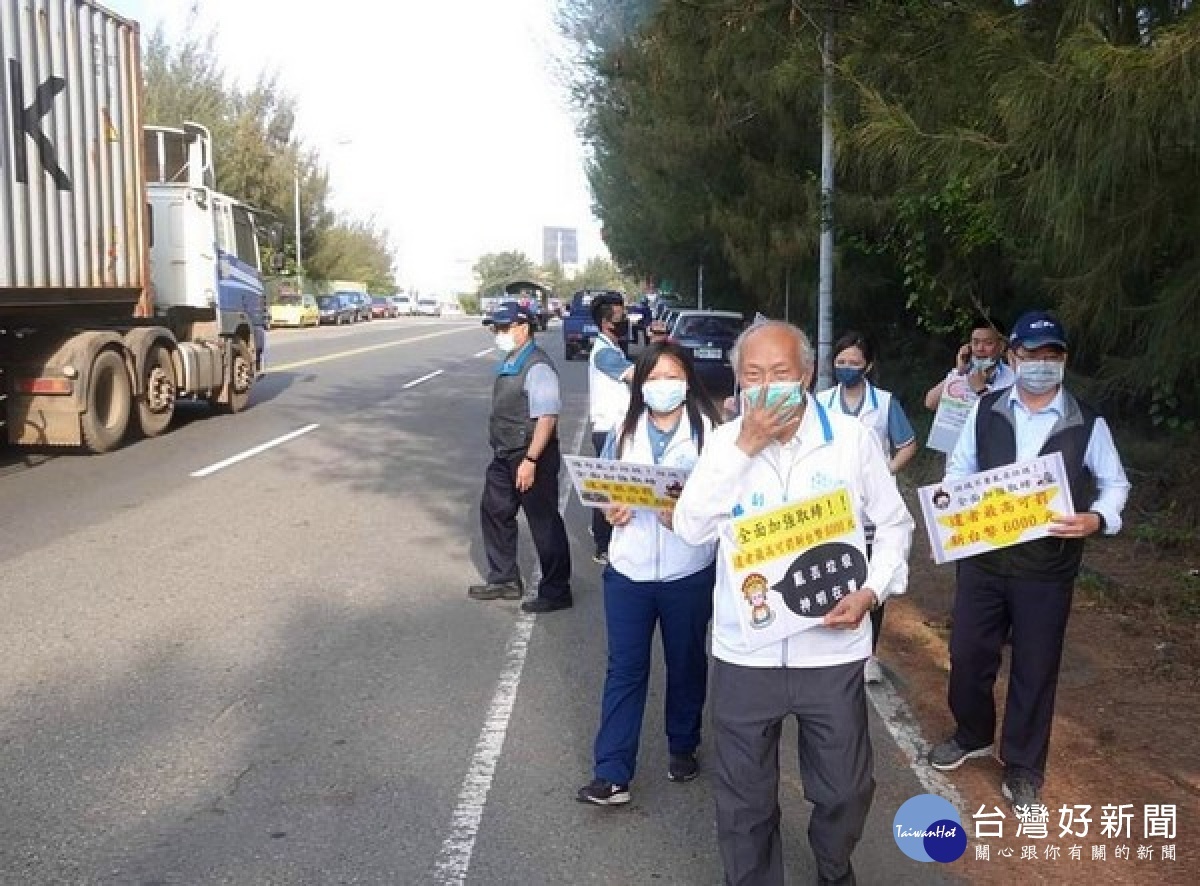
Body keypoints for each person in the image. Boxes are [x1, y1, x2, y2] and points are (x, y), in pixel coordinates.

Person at [674, 321, 914, 886]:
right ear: (737, 380)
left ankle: (833, 866)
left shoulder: (852, 441)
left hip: (829, 651)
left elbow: (895, 524)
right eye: (753, 375)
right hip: (744, 653)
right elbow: (690, 527)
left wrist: (871, 591)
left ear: (807, 375)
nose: (766, 386)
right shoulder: (721, 443)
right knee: (743, 799)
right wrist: (742, 448)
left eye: (780, 373)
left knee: (847, 788)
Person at [927, 310, 1130, 811]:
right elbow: (959, 469)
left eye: (1052, 355)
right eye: (1032, 354)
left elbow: (1115, 484)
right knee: (970, 654)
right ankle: (972, 732)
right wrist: (958, 506)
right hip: (984, 561)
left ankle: (1022, 765)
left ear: (1064, 360)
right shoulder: (986, 409)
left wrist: (1098, 519)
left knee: (1035, 667)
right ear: (1012, 356)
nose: (1041, 364)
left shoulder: (1087, 420)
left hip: (1048, 567)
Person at [577, 341, 725, 807]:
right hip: (630, 571)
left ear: (688, 379)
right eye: (655, 377)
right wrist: (611, 510)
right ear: (641, 383)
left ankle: (683, 745)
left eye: (673, 375)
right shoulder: (623, 431)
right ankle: (612, 772)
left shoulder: (711, 433)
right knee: (625, 669)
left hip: (688, 571)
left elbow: (725, 499)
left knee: (686, 664)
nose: (664, 386)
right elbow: (603, 488)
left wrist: (686, 515)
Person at [817, 331, 917, 684]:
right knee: (833, 573)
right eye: (841, 362)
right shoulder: (823, 402)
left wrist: (883, 472)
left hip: (874, 511)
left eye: (854, 363)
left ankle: (868, 654)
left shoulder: (886, 403)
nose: (846, 368)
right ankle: (832, 644)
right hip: (831, 510)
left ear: (869, 366)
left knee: (872, 579)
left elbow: (907, 444)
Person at [468, 303, 573, 614]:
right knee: (494, 511)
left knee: (543, 522)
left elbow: (546, 418)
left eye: (504, 328)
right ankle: (504, 579)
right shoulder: (512, 361)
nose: (498, 334)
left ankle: (556, 591)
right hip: (504, 453)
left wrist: (530, 460)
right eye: (495, 329)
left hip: (530, 454)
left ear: (523, 327)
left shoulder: (537, 366)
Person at [588, 294, 634, 564]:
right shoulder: (604, 353)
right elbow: (634, 374)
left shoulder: (613, 348)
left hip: (616, 426)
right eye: (620, 317)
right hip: (608, 429)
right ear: (606, 322)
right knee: (607, 487)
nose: (625, 321)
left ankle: (604, 534)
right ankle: (602, 543)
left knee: (612, 484)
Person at [924, 316, 1016, 411]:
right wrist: (959, 372)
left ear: (1001, 347)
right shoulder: (963, 371)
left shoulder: (1012, 378)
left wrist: (981, 390)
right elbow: (930, 403)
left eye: (988, 343)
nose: (980, 348)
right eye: (975, 343)